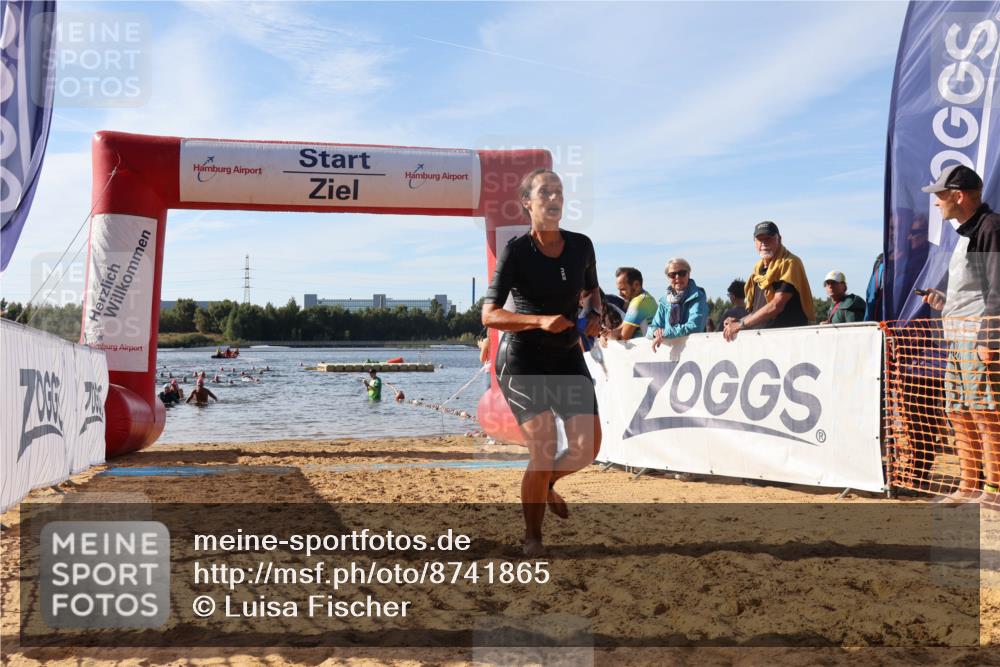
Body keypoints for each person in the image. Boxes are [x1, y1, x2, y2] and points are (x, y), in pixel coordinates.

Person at [481, 168, 602, 557]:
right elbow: (489, 315)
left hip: (567, 354)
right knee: (545, 446)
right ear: (527, 203)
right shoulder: (516, 251)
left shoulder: (582, 245)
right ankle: (533, 536)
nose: (553, 199)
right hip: (524, 359)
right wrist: (539, 320)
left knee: (588, 448)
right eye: (545, 193)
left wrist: (595, 314)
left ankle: (544, 484)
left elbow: (592, 291)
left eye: (559, 193)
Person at [919, 164, 1000, 503]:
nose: (936, 201)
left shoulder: (991, 227)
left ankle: (993, 490)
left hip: (977, 337)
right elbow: (973, 289)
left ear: (959, 195)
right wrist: (944, 301)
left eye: (940, 194)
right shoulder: (967, 231)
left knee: (984, 411)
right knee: (957, 411)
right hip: (958, 335)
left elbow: (997, 288)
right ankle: (968, 486)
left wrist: (988, 337)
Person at [723, 221, 815, 341]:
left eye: (768, 239)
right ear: (754, 243)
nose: (764, 244)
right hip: (764, 341)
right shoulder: (758, 270)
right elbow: (759, 310)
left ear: (779, 239)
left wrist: (741, 324)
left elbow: (776, 305)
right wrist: (740, 320)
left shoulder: (789, 263)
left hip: (789, 341)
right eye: (760, 240)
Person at [648, 258, 709, 352]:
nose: (677, 277)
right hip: (669, 355)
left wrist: (665, 333)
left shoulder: (698, 296)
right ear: (668, 278)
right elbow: (651, 329)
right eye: (672, 275)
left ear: (688, 274)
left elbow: (694, 326)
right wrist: (656, 332)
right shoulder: (664, 301)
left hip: (694, 352)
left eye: (682, 273)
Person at [601, 267, 657, 342]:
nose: (620, 294)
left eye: (623, 289)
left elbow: (623, 336)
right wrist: (606, 334)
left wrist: (606, 336)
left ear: (636, 285)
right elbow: (623, 327)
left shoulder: (638, 302)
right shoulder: (648, 298)